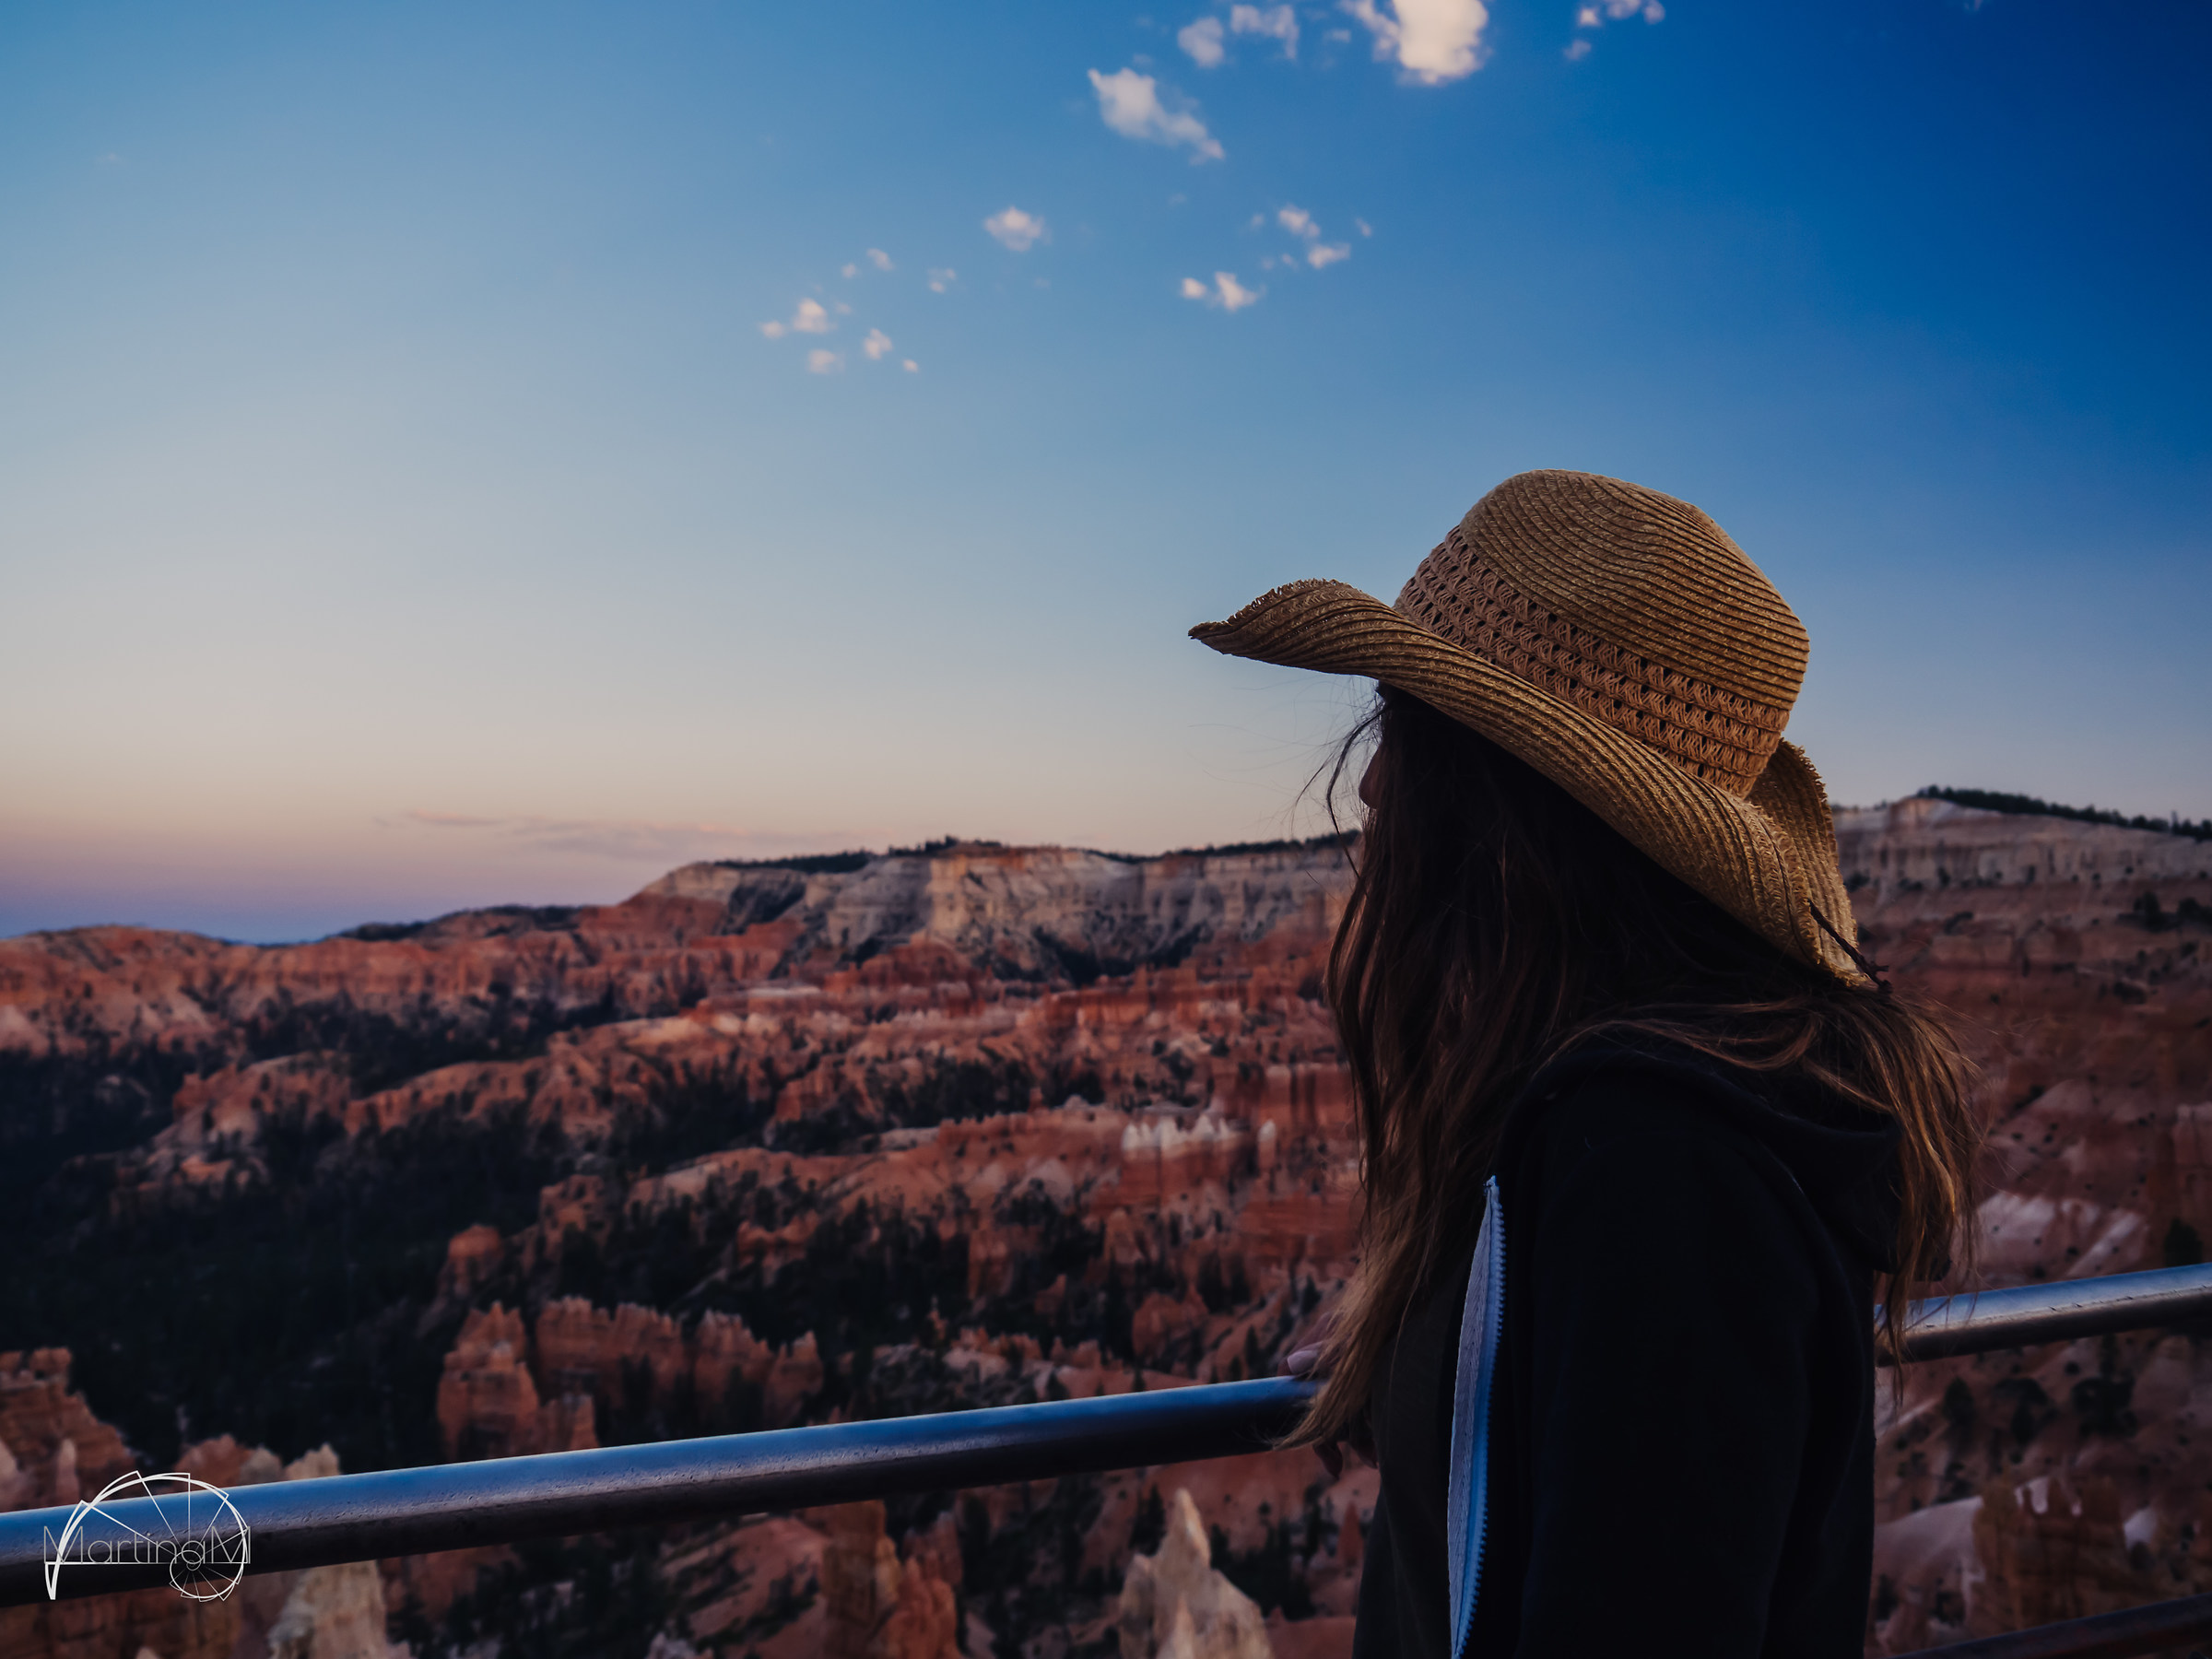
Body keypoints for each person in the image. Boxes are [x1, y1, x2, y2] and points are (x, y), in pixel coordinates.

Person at [1189, 470, 1981, 1658]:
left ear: (1505, 799)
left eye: (1403, 724)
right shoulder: (1651, 1115)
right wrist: (1449, 1363)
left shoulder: (1664, 1168)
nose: (1372, 781)